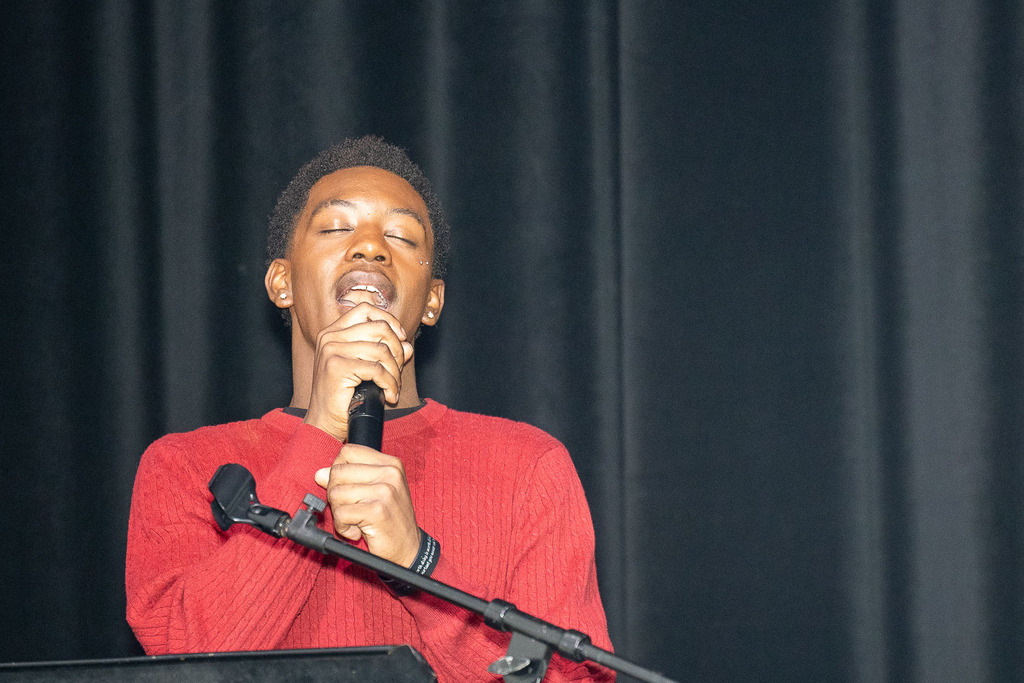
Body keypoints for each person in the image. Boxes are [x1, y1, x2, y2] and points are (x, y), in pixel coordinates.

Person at [125, 136, 613, 681]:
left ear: (432, 301)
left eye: (401, 236)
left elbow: (573, 677)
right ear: (281, 283)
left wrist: (417, 562)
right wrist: (317, 442)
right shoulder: (185, 466)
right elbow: (185, 662)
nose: (371, 248)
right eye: (336, 228)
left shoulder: (528, 465)